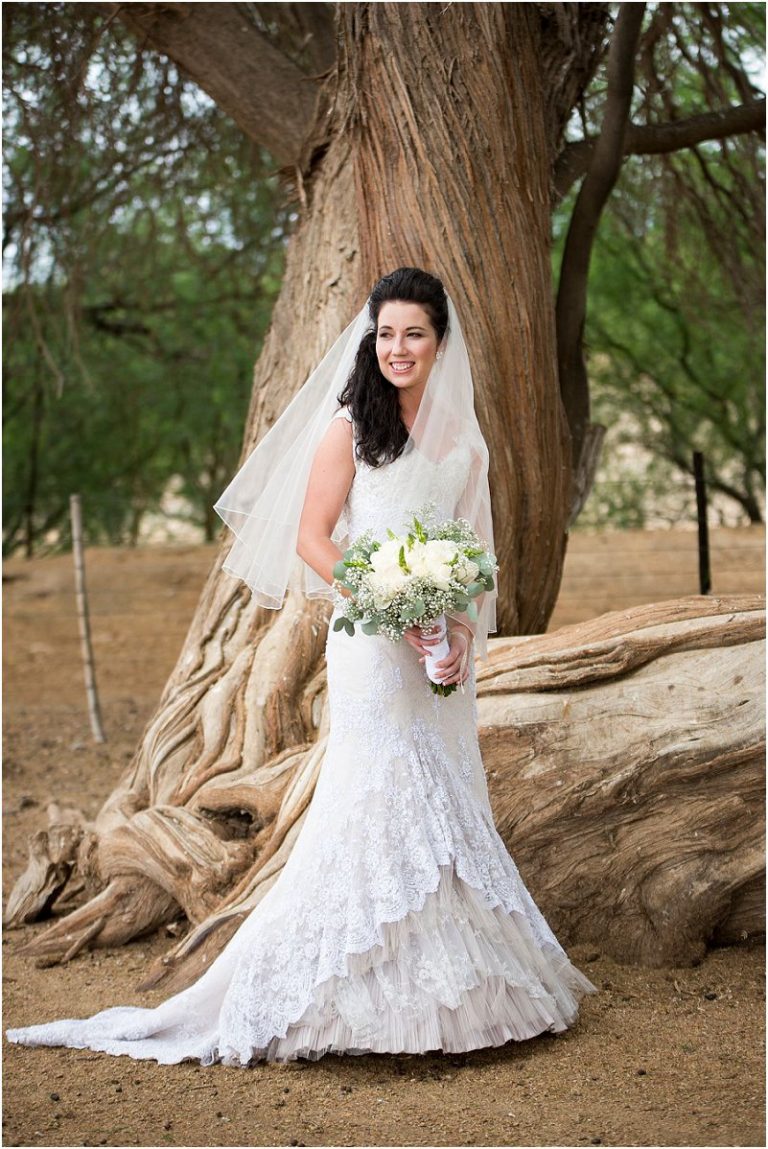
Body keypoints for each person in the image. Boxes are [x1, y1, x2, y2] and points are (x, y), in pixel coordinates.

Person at [7, 267, 596, 1066]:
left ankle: (453, 989)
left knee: (445, 794)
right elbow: (314, 538)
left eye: (414, 333)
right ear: (371, 339)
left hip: (436, 655)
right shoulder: (351, 428)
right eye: (386, 334)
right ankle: (342, 994)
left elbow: (472, 555)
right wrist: (387, 599)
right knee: (375, 795)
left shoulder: (465, 442)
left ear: (439, 341)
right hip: (371, 646)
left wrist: (455, 632)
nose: (397, 348)